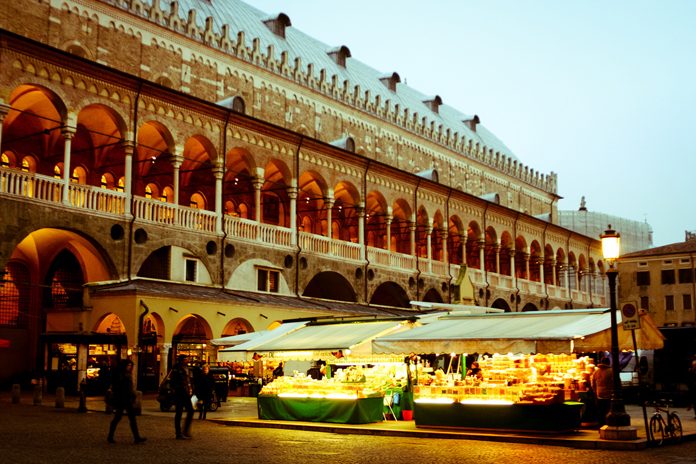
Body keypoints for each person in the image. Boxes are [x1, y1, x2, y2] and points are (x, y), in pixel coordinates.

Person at [107, 359, 146, 444]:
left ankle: (136, 437)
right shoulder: (120, 375)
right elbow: (119, 387)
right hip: (122, 399)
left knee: (131, 418)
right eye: (128, 365)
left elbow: (129, 387)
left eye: (131, 366)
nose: (130, 367)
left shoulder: (127, 374)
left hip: (127, 399)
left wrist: (132, 395)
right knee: (118, 418)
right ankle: (110, 436)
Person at [170, 355, 194, 439]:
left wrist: (190, 388)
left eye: (187, 359)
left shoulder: (187, 368)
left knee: (190, 411)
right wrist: (178, 389)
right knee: (179, 412)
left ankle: (185, 431)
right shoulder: (176, 368)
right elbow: (173, 381)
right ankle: (178, 433)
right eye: (185, 359)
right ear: (181, 360)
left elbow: (189, 379)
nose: (187, 360)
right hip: (179, 393)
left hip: (186, 393)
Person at [591, 357, 614, 427]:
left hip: (599, 395)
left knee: (600, 411)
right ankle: (608, 423)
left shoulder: (596, 371)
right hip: (608, 395)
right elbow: (615, 382)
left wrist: (595, 391)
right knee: (608, 410)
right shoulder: (611, 371)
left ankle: (601, 424)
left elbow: (593, 384)